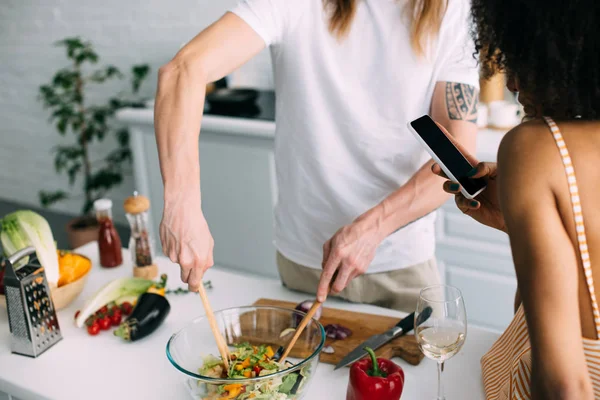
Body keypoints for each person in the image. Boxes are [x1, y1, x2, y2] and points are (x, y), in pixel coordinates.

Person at [154, 0, 479, 312]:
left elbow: (457, 161)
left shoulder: (453, 10)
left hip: (401, 264)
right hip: (305, 263)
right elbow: (183, 71)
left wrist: (373, 227)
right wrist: (181, 205)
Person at [434, 0, 600, 397]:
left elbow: (564, 386)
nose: (512, 84)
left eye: (523, 59)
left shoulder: (538, 150)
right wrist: (523, 224)